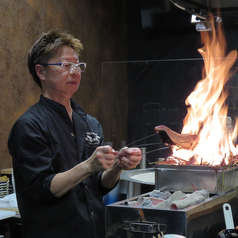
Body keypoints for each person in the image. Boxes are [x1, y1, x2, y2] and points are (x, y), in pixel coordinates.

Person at [8, 30, 142, 238]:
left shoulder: (90, 123)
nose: (75, 71)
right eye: (65, 65)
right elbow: (42, 188)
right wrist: (89, 165)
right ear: (41, 72)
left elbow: (98, 185)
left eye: (78, 65)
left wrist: (117, 167)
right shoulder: (30, 125)